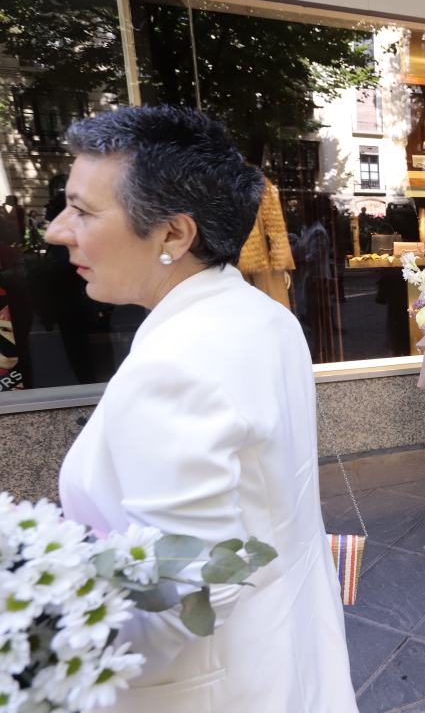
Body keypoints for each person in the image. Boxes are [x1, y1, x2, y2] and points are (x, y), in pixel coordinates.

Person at [48, 106, 356, 712]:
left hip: (216, 686)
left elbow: (189, 592)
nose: (58, 230)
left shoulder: (177, 365)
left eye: (82, 211)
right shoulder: (263, 316)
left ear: (173, 234)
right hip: (284, 651)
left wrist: (38, 647)